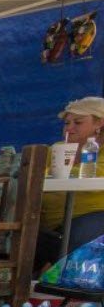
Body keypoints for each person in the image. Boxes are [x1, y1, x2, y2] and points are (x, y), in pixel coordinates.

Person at [37, 96, 104, 268]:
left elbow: (97, 172)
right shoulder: (57, 149)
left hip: (92, 215)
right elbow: (35, 174)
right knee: (20, 234)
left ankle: (70, 287)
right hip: (51, 221)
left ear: (100, 123)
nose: (70, 128)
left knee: (78, 236)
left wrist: (58, 173)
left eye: (78, 122)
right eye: (67, 123)